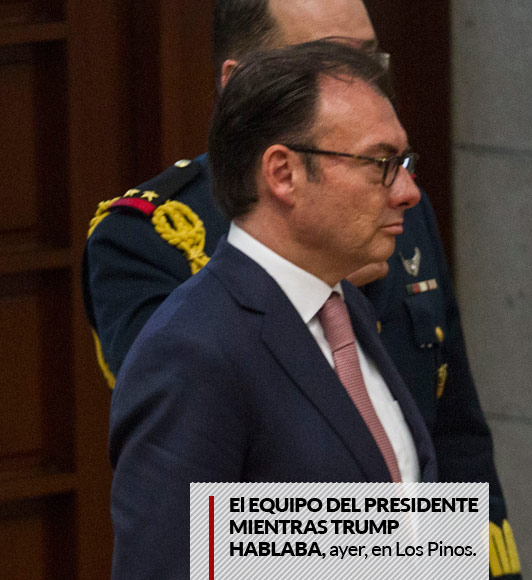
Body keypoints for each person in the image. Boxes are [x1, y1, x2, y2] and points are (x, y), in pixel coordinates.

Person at [83, 0, 520, 576]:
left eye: (369, 60)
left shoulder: (356, 275)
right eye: (327, 61)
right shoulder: (169, 269)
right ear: (281, 170)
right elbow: (190, 538)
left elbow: (450, 437)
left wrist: (460, 555)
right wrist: (414, 545)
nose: (406, 191)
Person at [109, 40, 439, 579]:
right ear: (283, 173)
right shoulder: (192, 350)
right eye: (381, 163)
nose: (407, 191)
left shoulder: (345, 308)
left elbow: (398, 534)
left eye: (403, 163)